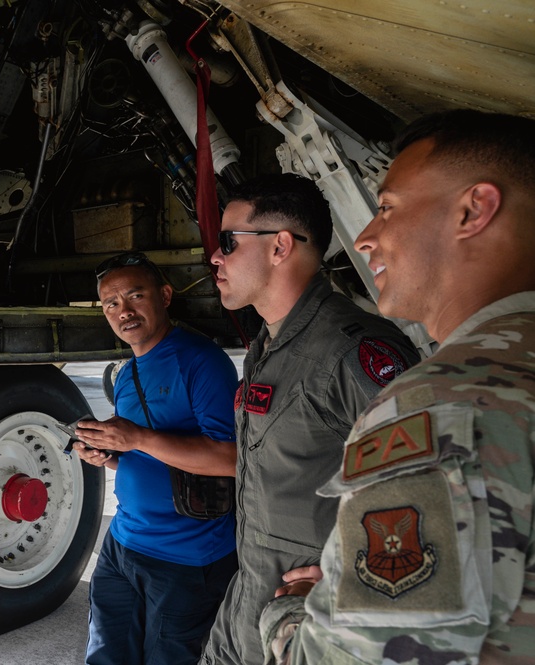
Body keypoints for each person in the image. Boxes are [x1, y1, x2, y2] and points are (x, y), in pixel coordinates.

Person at [260, 110, 535, 663]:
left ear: (473, 209)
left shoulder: (441, 407)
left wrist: (291, 615)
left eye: (386, 208)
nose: (364, 238)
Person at [199, 174, 420, 665]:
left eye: (228, 242)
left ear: (280, 247)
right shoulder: (269, 346)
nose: (215, 257)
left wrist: (358, 578)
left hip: (309, 627)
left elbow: (428, 486)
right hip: (247, 606)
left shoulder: (351, 351)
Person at [73, 252, 239, 665]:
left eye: (135, 296)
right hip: (123, 546)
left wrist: (136, 436)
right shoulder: (128, 374)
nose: (123, 311)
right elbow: (145, 455)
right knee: (107, 656)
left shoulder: (202, 362)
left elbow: (233, 460)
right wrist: (108, 456)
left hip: (186, 559)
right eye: (111, 304)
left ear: (164, 295)